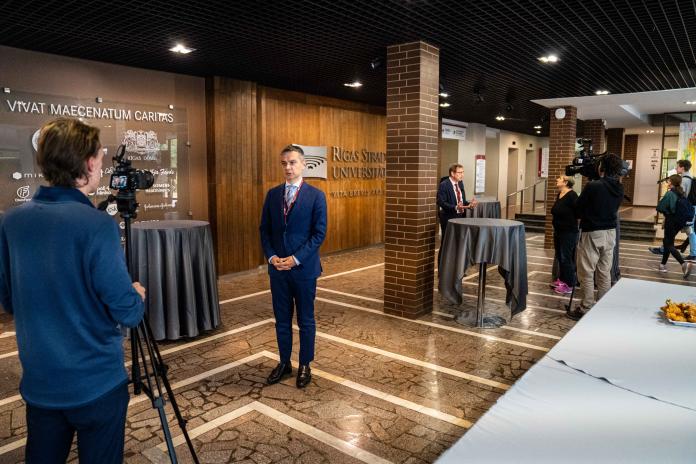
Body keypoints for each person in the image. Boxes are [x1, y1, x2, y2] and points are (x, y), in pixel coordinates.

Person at [0, 118, 146, 463]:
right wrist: (136, 294)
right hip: (96, 383)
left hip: (40, 382)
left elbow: (9, 300)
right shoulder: (97, 226)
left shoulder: (11, 221)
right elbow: (127, 311)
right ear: (89, 163)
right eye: (100, 158)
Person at [260, 144, 327, 389]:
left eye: (292, 162)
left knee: (306, 320)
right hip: (278, 270)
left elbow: (319, 234)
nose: (288, 167)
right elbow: (265, 230)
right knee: (281, 320)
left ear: (303, 165)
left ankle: (305, 364)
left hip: (303, 270)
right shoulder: (272, 195)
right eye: (284, 163)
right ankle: (284, 363)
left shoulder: (316, 196)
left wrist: (296, 258)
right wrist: (272, 257)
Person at [567, 154, 624, 321]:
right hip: (610, 232)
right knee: (604, 271)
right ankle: (603, 307)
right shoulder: (619, 187)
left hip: (593, 232)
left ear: (601, 167)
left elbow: (578, 209)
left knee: (586, 271)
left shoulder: (593, 186)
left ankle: (586, 307)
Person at [649, 159, 696, 260]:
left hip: (682, 211)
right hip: (689, 209)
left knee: (684, 231)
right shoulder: (690, 178)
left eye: (677, 166)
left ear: (682, 168)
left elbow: (680, 196)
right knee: (689, 231)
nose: (676, 168)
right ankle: (691, 252)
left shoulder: (684, 180)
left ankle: (691, 254)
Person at [437, 164, 477, 265]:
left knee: (459, 243)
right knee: (447, 243)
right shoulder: (444, 184)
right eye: (460, 172)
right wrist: (455, 207)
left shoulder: (460, 183)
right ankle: (443, 267)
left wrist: (469, 205)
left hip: (460, 217)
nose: (462, 175)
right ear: (452, 173)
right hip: (448, 218)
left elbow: (462, 201)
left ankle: (456, 266)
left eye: (463, 172)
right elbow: (441, 202)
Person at [655, 174, 693, 276]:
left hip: (671, 221)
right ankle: (662, 265)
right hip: (679, 222)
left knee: (669, 244)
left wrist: (666, 212)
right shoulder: (681, 193)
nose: (667, 182)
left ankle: (684, 264)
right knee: (667, 241)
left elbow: (659, 207)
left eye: (669, 181)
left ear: (671, 182)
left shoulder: (670, 193)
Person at [550, 176, 578, 295]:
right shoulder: (560, 194)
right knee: (560, 257)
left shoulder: (572, 195)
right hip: (558, 231)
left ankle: (569, 285)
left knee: (566, 258)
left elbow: (578, 212)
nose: (557, 180)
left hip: (568, 232)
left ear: (566, 182)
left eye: (559, 178)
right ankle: (562, 280)